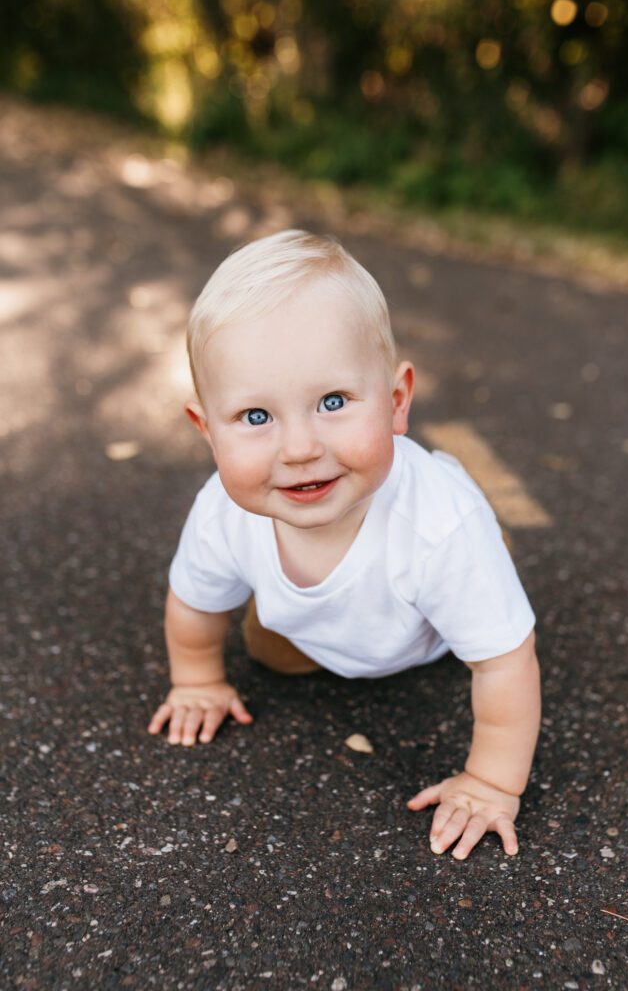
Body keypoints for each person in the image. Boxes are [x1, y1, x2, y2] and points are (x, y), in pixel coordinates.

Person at [148, 230, 541, 861]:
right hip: (320, 627)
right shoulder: (224, 512)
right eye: (256, 417)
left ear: (395, 401)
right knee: (265, 649)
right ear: (206, 430)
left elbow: (504, 662)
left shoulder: (437, 527)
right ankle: (305, 622)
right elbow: (194, 602)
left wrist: (492, 782)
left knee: (484, 611)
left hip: (425, 622)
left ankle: (497, 549)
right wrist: (196, 680)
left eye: (333, 402)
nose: (299, 448)